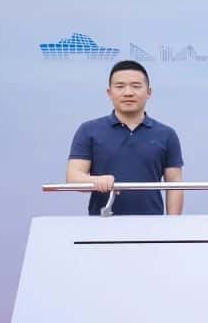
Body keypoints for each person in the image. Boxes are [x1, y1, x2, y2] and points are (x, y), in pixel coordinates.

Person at [66, 59, 183, 216]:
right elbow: (73, 177)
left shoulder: (166, 134)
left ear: (149, 92)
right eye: (120, 86)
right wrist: (97, 181)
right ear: (109, 93)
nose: (128, 93)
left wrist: (173, 224)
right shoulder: (88, 130)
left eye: (136, 86)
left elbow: (174, 183)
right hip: (102, 223)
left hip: (152, 223)